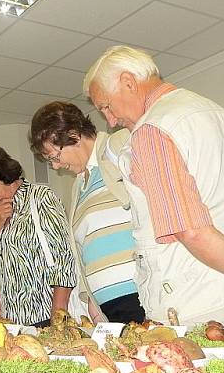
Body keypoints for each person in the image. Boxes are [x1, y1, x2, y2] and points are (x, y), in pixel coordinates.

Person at [83, 46, 224, 336]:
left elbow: (191, 230)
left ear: (128, 81)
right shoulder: (222, 117)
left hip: (201, 313)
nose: (110, 121)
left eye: (106, 107)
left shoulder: (153, 131)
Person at [29, 101, 145, 324]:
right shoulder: (79, 185)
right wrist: (91, 298)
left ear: (73, 134)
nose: (55, 166)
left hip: (138, 294)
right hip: (108, 304)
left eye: (54, 156)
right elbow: (86, 247)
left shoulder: (118, 148)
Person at [0, 145, 77, 326]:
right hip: (11, 318)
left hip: (46, 314)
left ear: (5, 175)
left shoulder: (40, 197)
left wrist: (58, 315)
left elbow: (63, 257)